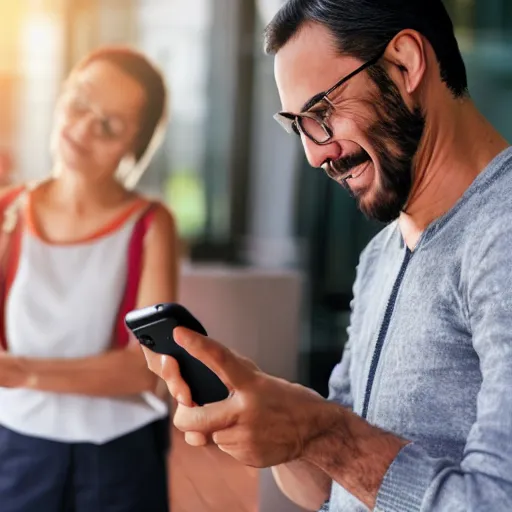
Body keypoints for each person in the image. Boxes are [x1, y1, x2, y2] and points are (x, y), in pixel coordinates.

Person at [144, 1, 512, 511]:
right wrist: (274, 420)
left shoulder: (502, 232)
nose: (315, 154)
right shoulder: (380, 257)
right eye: (298, 125)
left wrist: (322, 433)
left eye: (321, 113)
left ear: (405, 63)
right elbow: (326, 491)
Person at [0, 46, 177, 512]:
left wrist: (19, 371)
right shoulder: (7, 214)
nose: (82, 130)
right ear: (61, 96)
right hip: (16, 448)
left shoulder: (149, 225)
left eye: (109, 126)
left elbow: (145, 368)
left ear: (133, 146)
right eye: (79, 104)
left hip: (119, 457)